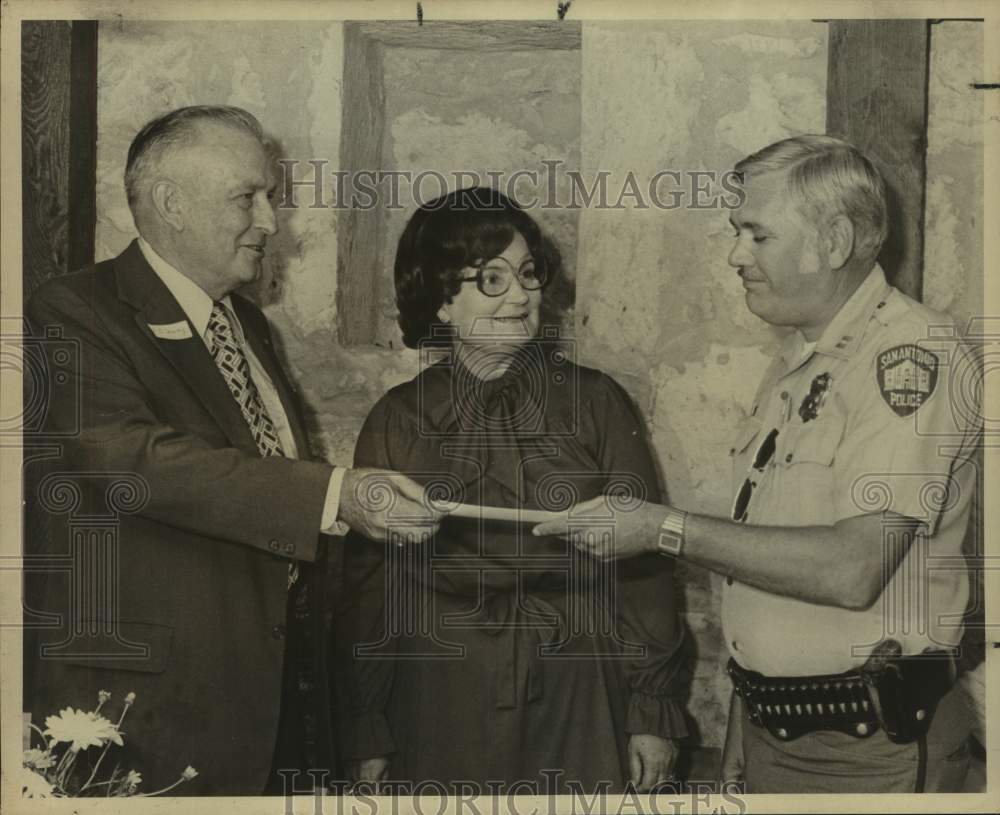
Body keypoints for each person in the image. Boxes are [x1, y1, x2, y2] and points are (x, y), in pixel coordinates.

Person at [534, 135, 980, 793]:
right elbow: (771, 562)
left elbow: (852, 569)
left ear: (833, 241)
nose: (736, 255)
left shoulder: (910, 356)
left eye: (757, 235)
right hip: (780, 731)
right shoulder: (799, 360)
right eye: (737, 232)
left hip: (873, 747)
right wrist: (750, 716)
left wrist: (662, 528)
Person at [24, 105, 440, 796]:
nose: (270, 221)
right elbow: (132, 460)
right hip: (151, 713)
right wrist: (334, 494)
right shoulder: (72, 311)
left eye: (270, 197)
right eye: (247, 197)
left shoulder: (245, 323)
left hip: (266, 701)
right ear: (170, 203)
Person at [334, 188, 688, 794]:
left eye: (528, 274)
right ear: (442, 302)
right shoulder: (397, 419)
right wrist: (366, 725)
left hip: (578, 680)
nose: (521, 296)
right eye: (491, 280)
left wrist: (652, 711)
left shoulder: (597, 403)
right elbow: (372, 589)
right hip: (440, 688)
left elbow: (643, 569)